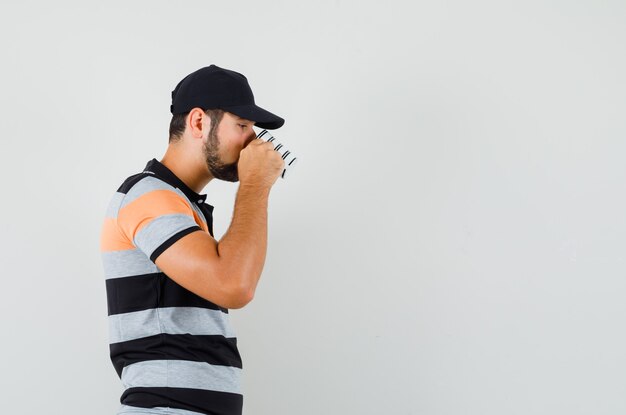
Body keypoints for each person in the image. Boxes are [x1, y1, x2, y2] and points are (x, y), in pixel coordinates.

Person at [99, 64, 286, 415]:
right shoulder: (147, 194)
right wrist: (256, 183)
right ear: (199, 122)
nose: (253, 141)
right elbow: (234, 285)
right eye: (242, 126)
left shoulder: (184, 206)